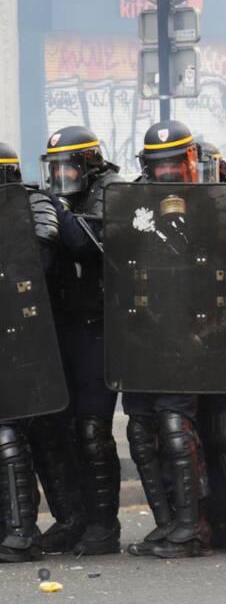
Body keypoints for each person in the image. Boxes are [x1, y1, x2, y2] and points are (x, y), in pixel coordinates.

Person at [122, 121, 226, 558]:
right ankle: (193, 523)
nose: (169, 173)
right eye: (160, 165)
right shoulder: (142, 208)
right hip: (173, 336)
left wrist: (208, 268)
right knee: (170, 427)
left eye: (177, 162)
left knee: (224, 423)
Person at [29, 126, 123, 556]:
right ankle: (72, 518)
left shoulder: (112, 191)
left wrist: (54, 209)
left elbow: (87, 244)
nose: (60, 176)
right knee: (52, 425)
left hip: (98, 326)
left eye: (68, 167)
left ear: (90, 164)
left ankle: (103, 526)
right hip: (59, 324)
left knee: (91, 428)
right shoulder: (55, 200)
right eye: (54, 168)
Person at [0, 143, 61, 563]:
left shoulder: (33, 204)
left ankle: (23, 530)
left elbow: (37, 256)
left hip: (20, 333)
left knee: (7, 431)